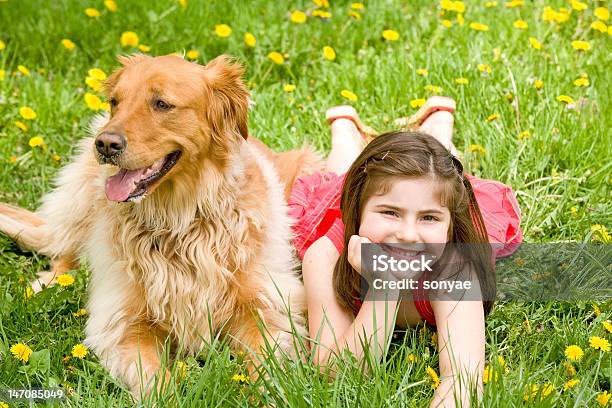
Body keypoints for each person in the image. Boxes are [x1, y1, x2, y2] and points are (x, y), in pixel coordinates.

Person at [288, 97, 522, 407]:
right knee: (341, 174)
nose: (408, 235)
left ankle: (439, 125)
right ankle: (345, 133)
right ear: (357, 211)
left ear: (449, 225)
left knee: (436, 171)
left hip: (429, 185)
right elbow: (334, 374)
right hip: (353, 190)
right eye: (389, 213)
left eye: (429, 218)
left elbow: (463, 381)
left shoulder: (453, 267)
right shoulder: (327, 257)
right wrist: (385, 289)